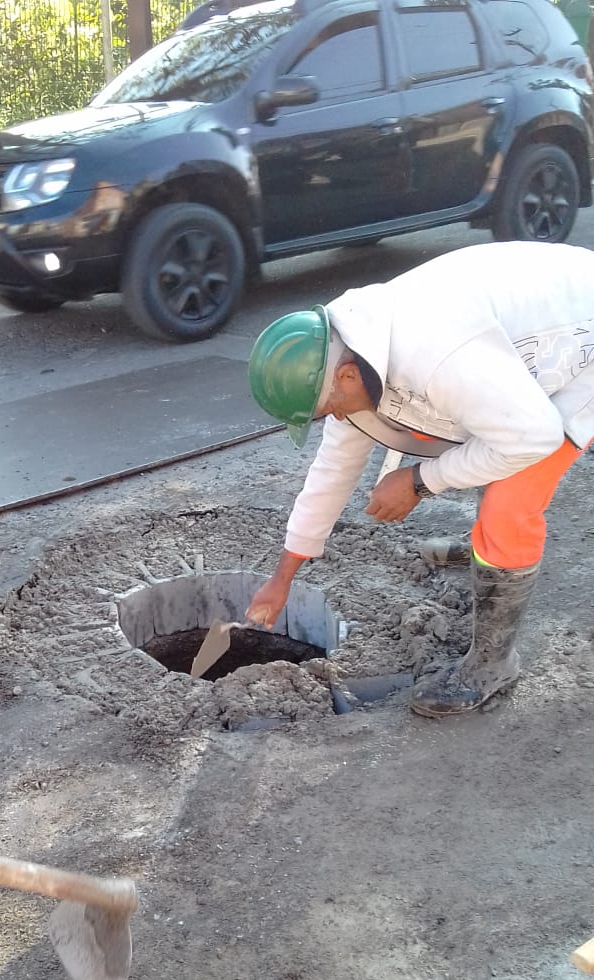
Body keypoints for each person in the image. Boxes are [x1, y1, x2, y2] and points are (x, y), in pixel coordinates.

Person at [245, 240, 594, 717]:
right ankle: (483, 551)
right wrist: (282, 577)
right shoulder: (348, 349)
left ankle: (492, 664)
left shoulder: (437, 357)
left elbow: (531, 438)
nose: (335, 418)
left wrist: (420, 481)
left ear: (346, 377)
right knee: (479, 429)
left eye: (329, 408)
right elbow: (332, 469)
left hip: (580, 350)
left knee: (509, 504)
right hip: (514, 348)